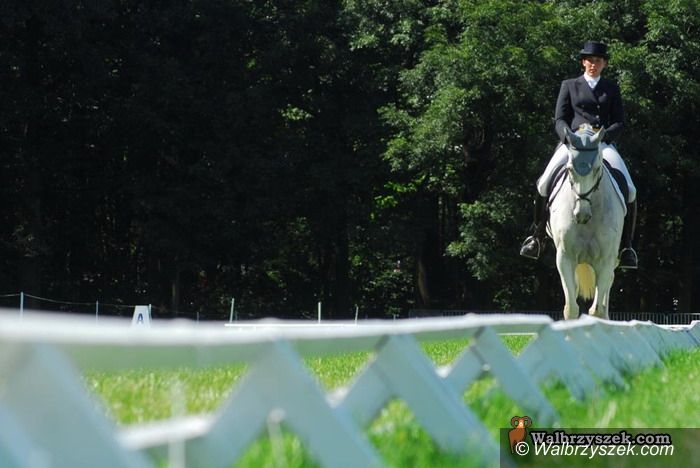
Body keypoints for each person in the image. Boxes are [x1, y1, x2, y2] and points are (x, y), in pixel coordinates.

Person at [519, 41, 638, 269]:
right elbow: (560, 119)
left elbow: (619, 121)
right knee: (543, 183)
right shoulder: (569, 85)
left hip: (601, 145)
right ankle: (537, 237)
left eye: (598, 61)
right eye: (590, 60)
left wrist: (603, 137)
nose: (594, 64)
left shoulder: (611, 88)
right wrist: (568, 138)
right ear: (583, 62)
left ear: (604, 64)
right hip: (573, 143)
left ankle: (627, 247)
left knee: (630, 189)